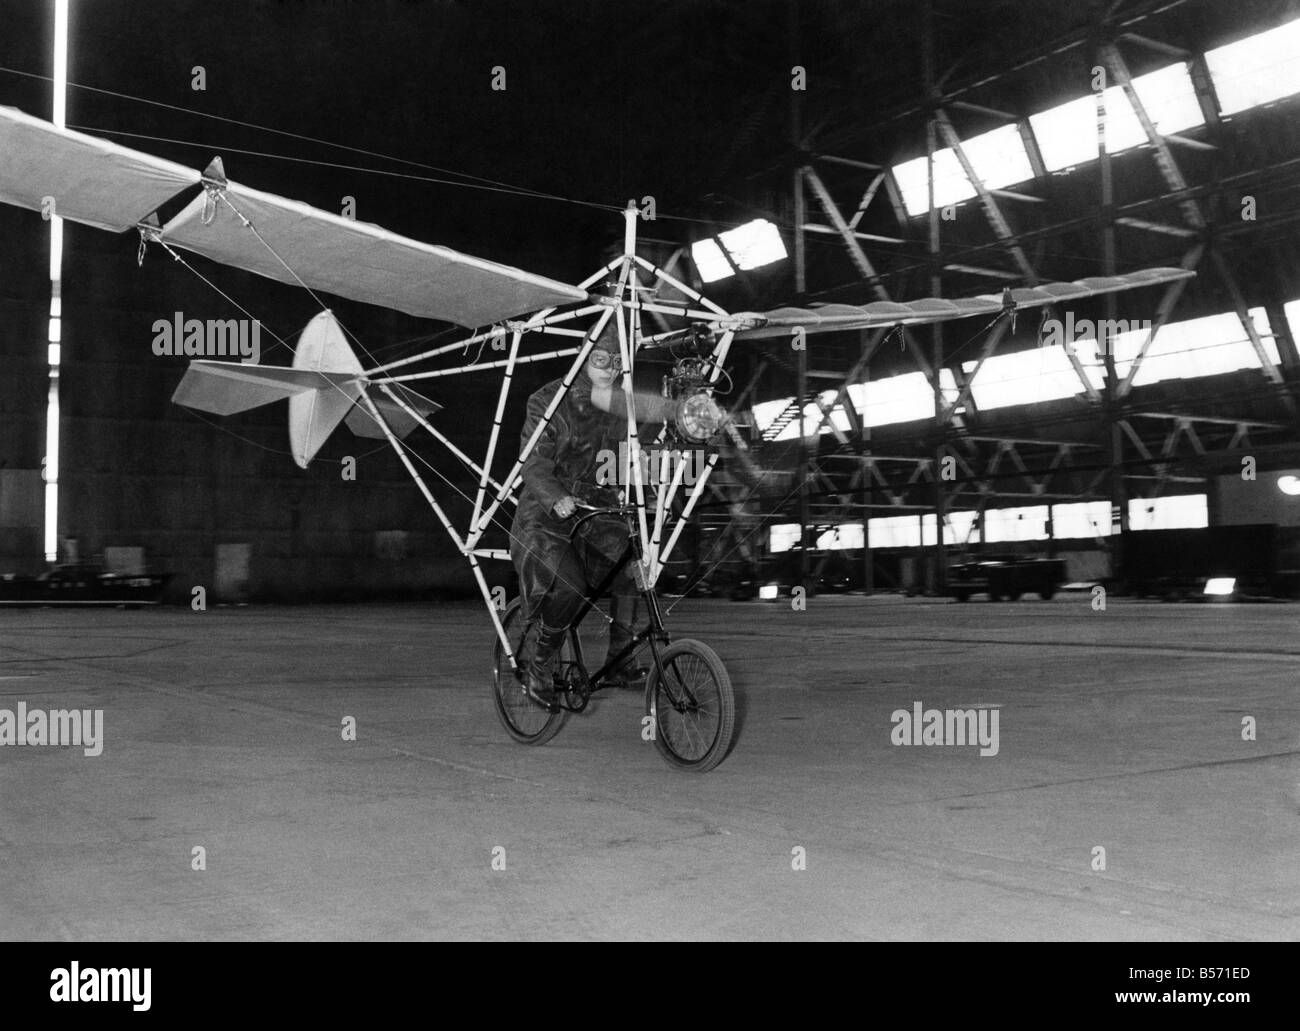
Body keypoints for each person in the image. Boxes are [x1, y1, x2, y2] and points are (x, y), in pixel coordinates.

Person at [509, 323, 666, 710]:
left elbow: (630, 459)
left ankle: (619, 659)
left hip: (595, 509)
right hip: (545, 512)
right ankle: (541, 664)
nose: (609, 369)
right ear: (582, 354)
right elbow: (533, 461)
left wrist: (647, 491)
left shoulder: (616, 408)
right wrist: (556, 496)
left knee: (630, 565)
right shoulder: (547, 400)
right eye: (600, 359)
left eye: (617, 362)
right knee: (568, 584)